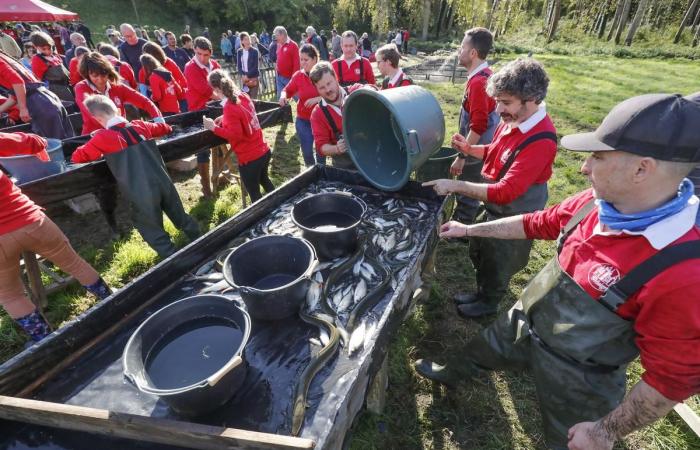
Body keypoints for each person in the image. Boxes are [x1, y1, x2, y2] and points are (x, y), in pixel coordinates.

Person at [416, 93, 700, 450]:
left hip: (580, 377)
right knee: (481, 348)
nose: (583, 168)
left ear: (641, 169)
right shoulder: (593, 204)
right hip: (525, 320)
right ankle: (451, 374)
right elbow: (539, 222)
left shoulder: (683, 270)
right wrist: (470, 230)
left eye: (598, 156)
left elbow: (672, 380)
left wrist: (604, 432)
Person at [424, 58, 557, 318]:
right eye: (497, 101)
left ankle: (489, 302)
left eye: (505, 102)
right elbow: (496, 151)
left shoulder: (541, 139)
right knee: (481, 252)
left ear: (531, 99)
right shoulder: (513, 120)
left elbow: (506, 191)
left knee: (499, 261)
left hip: (515, 211)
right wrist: (469, 149)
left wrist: (455, 185)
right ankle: (481, 291)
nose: (498, 110)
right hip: (495, 206)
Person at [1, 134, 111, 343]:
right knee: (75, 264)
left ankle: (45, 342)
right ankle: (113, 302)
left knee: (10, 295)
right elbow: (31, 141)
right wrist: (39, 147)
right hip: (30, 220)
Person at [72, 95, 200, 258]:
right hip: (163, 181)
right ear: (117, 110)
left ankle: (177, 260)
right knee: (181, 216)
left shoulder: (101, 138)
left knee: (150, 227)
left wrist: (96, 137)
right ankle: (201, 242)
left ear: (96, 118)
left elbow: (77, 157)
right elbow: (165, 128)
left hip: (140, 190)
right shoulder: (140, 125)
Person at [451, 28, 500, 227]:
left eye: (462, 47)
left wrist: (462, 157)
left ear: (473, 53)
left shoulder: (479, 83)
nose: (458, 51)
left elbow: (479, 126)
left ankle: (463, 224)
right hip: (483, 145)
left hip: (476, 145)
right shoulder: (485, 75)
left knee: (468, 185)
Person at [203, 70, 275, 203]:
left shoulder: (229, 107)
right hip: (263, 151)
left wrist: (213, 127)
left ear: (218, 89)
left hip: (250, 159)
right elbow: (242, 115)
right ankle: (279, 205)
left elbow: (235, 135)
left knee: (255, 196)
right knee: (265, 180)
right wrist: (225, 118)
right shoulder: (242, 95)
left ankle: (262, 221)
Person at [74, 52, 162, 135]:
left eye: (103, 75)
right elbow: (92, 115)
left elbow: (145, 102)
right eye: (95, 76)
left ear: (108, 72)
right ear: (87, 75)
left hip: (120, 135)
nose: (100, 80)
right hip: (95, 137)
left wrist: (159, 121)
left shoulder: (117, 87)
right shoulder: (81, 88)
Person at [0, 51, 74, 139]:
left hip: (38, 103)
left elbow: (18, 82)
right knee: (66, 142)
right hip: (46, 98)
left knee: (56, 145)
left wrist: (23, 108)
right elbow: (14, 97)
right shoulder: (4, 57)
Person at [309, 61, 368, 170]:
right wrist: (336, 148)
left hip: (372, 156)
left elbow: (373, 90)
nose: (328, 90)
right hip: (346, 167)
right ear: (316, 89)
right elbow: (321, 147)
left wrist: (354, 100)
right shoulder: (317, 114)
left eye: (329, 83)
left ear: (335, 78)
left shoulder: (354, 91)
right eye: (321, 87)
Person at [184, 36, 221, 198]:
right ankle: (206, 187)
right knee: (203, 149)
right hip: (198, 111)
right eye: (199, 54)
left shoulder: (215, 65)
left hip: (215, 109)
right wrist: (224, 98)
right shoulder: (190, 68)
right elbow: (207, 91)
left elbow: (223, 82)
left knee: (220, 143)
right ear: (195, 51)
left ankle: (220, 176)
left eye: (205, 55)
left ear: (210, 53)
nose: (202, 58)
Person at [279, 44, 324, 167]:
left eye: (306, 59)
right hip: (303, 119)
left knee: (321, 151)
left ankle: (322, 173)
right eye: (301, 59)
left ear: (314, 59)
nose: (302, 63)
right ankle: (311, 173)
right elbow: (286, 90)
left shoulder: (324, 74)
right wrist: (283, 96)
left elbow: (334, 93)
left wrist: (318, 99)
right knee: (307, 152)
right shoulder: (298, 76)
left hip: (322, 120)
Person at [137, 41, 188, 110]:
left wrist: (172, 91)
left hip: (179, 99)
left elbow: (183, 81)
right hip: (161, 105)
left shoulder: (169, 63)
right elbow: (144, 91)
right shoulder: (144, 70)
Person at [29, 31, 72, 102]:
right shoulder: (37, 59)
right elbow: (38, 79)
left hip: (69, 84)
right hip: (57, 89)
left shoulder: (55, 55)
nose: (47, 51)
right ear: (36, 47)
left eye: (49, 48)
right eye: (44, 49)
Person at [273, 26, 299, 100]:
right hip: (279, 76)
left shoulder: (293, 45)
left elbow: (296, 64)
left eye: (277, 35)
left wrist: (294, 79)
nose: (276, 38)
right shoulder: (279, 44)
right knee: (280, 98)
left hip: (290, 78)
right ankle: (283, 111)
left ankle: (304, 110)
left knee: (298, 98)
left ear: (283, 35)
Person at [237, 32, 260, 100]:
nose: (248, 41)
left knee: (253, 100)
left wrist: (247, 76)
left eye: (248, 39)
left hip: (253, 78)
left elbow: (255, 67)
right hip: (245, 80)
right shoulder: (239, 51)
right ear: (242, 41)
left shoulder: (255, 51)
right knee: (246, 100)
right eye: (245, 39)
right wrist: (243, 76)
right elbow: (239, 66)